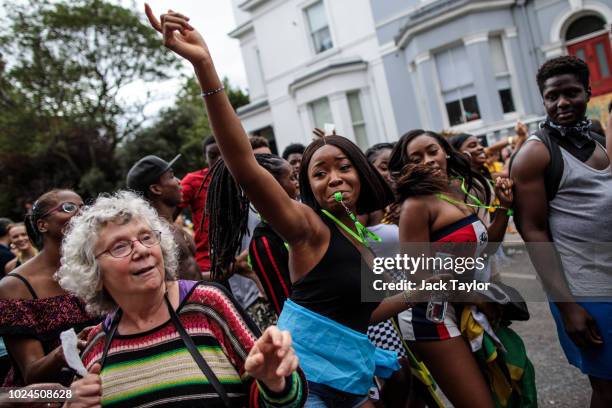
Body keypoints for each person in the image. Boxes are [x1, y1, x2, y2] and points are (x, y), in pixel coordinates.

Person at [143, 7, 432, 405]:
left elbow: (360, 310)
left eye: (344, 167)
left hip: (348, 376)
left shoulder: (357, 229)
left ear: (361, 173)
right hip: (302, 382)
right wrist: (205, 66)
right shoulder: (306, 227)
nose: (334, 177)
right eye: (320, 172)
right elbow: (244, 166)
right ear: (306, 188)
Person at [57, 191, 306, 407]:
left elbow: (287, 397)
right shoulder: (96, 349)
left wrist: (275, 382)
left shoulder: (207, 305)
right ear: (93, 271)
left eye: (146, 238)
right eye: (120, 247)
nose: (142, 250)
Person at [511, 56, 612, 407]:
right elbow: (533, 232)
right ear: (544, 100)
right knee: (607, 390)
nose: (562, 102)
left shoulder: (597, 136)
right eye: (553, 96)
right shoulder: (535, 154)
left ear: (588, 91)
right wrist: (568, 308)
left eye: (571, 93)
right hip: (585, 293)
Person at [388, 130, 514, 408]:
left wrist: (503, 208)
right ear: (407, 167)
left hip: (465, 304)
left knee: (500, 391)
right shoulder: (415, 206)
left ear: (445, 151)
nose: (429, 160)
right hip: (431, 317)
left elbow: (487, 248)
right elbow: (420, 278)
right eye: (417, 157)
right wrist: (477, 297)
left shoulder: (458, 189)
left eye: (433, 151)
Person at [0, 189, 98, 386]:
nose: (80, 213)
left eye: (83, 207)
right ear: (42, 225)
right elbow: (31, 374)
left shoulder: (98, 267)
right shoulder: (15, 286)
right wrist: (62, 353)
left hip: (104, 385)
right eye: (68, 208)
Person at [207, 153, 299, 319]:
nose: (297, 184)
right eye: (293, 178)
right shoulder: (264, 241)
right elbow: (287, 306)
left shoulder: (302, 221)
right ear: (271, 186)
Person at [127, 154, 200, 281]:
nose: (179, 181)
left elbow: (191, 278)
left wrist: (234, 268)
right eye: (171, 176)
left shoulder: (173, 227)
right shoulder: (155, 235)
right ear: (156, 189)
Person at [178, 135, 218, 275]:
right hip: (209, 264)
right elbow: (166, 214)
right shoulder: (193, 181)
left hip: (245, 258)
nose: (218, 160)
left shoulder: (244, 177)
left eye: (223, 153)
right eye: (213, 155)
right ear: (205, 158)